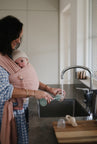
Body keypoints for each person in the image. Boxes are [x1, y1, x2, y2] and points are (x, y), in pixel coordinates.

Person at [0, 15, 65, 144]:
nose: (19, 40)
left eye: (20, 37)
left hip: (20, 111)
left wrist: (48, 88)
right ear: (6, 35)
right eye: (17, 36)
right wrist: (35, 93)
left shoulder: (8, 54)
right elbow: (4, 91)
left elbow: (25, 78)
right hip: (9, 115)